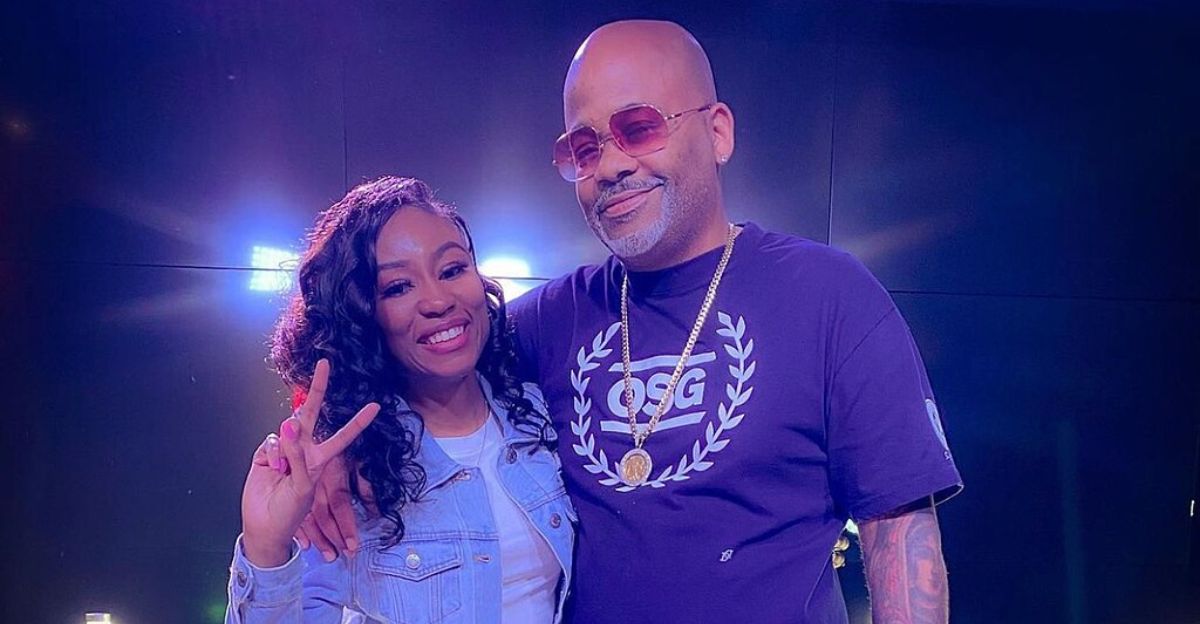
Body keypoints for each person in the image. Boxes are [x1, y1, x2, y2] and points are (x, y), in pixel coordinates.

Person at [309, 20, 964, 624]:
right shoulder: (546, 322)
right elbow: (395, 353)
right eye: (585, 147)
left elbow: (898, 532)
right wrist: (327, 455)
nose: (612, 165)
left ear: (718, 132)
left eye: (640, 128)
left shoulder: (828, 295)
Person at [225, 176, 575, 624]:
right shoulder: (346, 473)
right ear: (362, 316)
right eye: (398, 287)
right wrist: (266, 547)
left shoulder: (538, 416)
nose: (438, 300)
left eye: (452, 270)